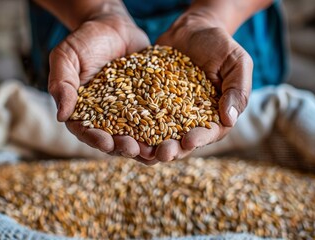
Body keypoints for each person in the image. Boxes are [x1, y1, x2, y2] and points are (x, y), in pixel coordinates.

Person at [30, 0, 287, 165]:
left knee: (241, 152)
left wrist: (214, 16)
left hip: (229, 19)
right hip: (75, 12)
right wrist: (95, 12)